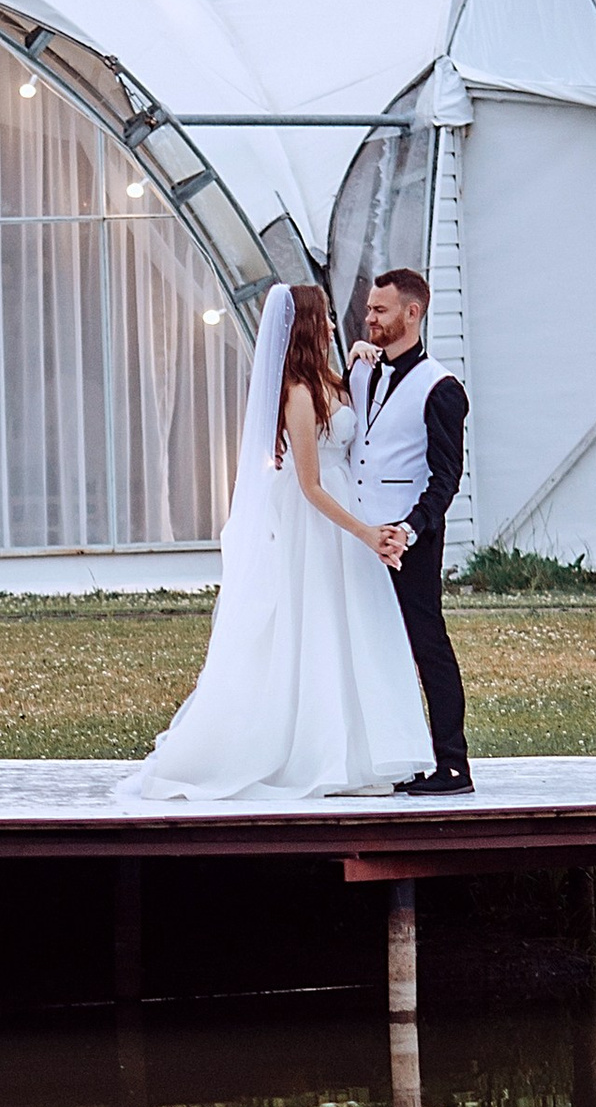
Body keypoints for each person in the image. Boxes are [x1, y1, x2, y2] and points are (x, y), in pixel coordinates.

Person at [125, 280, 430, 801]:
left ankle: (360, 754)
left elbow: (355, 412)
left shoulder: (333, 380)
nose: (337, 326)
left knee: (354, 630)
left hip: (345, 514)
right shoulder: (298, 393)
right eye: (327, 319)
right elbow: (310, 486)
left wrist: (358, 360)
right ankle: (317, 753)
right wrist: (364, 534)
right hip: (318, 523)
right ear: (309, 326)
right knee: (315, 630)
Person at [350, 267, 471, 794]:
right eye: (370, 309)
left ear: (412, 313)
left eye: (379, 310)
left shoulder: (441, 389)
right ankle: (384, 758)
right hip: (356, 534)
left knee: (427, 645)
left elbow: (447, 479)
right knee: (367, 644)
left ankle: (452, 765)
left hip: (409, 540)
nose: (369, 317)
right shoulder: (361, 371)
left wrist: (410, 528)